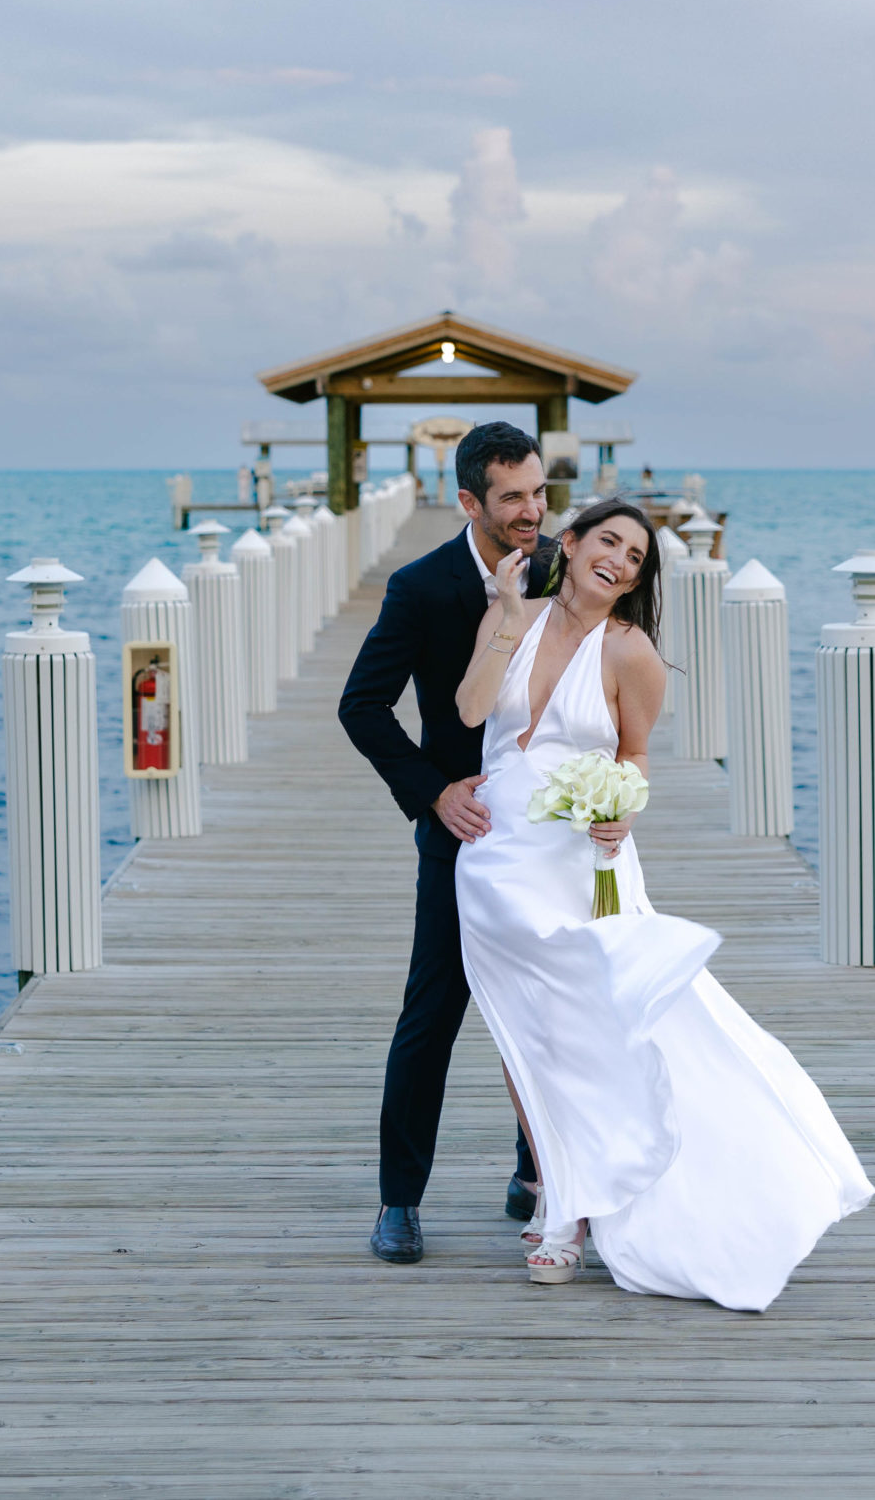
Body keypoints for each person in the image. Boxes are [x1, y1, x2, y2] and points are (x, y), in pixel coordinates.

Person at [451, 497, 874, 1308]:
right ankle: (558, 1198)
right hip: (495, 864)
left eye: (636, 557)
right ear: (569, 545)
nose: (618, 560)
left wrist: (623, 810)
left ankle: (586, 1198)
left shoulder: (630, 650)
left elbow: (636, 754)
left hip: (582, 860)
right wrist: (506, 611)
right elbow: (473, 711)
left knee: (597, 1024)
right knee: (521, 1032)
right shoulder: (514, 616)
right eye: (606, 540)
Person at [339, 421, 556, 1265]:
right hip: (461, 833)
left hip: (547, 831)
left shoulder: (565, 571)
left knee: (547, 1011)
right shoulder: (421, 587)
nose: (533, 510)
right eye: (513, 498)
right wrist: (433, 790)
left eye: (540, 491)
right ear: (470, 501)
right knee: (432, 1014)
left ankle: (535, 1172)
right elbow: (362, 704)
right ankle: (399, 1201)